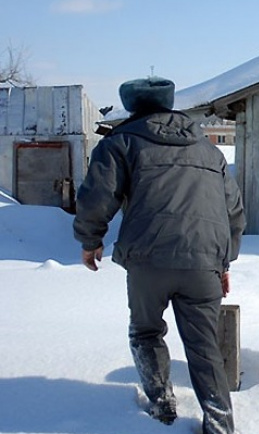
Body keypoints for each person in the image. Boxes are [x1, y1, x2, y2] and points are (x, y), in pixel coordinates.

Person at [73, 76, 245, 434]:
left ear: (133, 106)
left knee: (146, 331)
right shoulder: (209, 150)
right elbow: (233, 211)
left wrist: (91, 241)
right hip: (204, 264)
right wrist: (223, 263)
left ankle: (162, 407)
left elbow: (97, 197)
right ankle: (220, 424)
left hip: (148, 260)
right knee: (204, 345)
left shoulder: (120, 143)